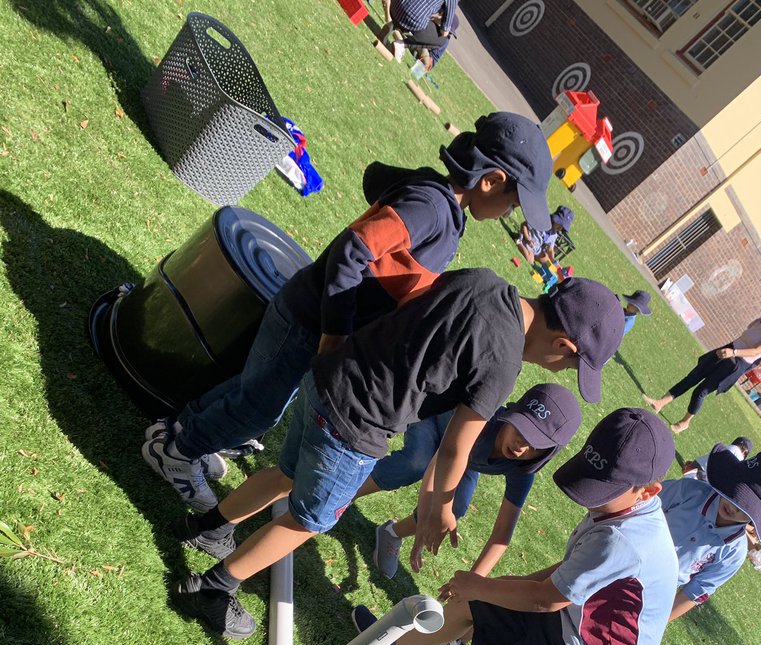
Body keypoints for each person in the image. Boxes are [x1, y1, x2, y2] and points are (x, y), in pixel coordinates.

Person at [169, 273, 625, 640]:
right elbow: (457, 445)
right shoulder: (504, 364)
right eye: (569, 365)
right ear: (564, 344)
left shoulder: (484, 282)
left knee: (287, 473)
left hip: (327, 380)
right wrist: (441, 509)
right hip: (358, 426)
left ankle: (207, 527)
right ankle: (214, 587)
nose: (560, 369)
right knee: (309, 520)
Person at [142, 112, 553, 511]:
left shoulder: (440, 205)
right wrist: (334, 334)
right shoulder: (432, 209)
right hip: (310, 321)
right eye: (514, 202)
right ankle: (177, 452)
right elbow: (354, 249)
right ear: (492, 180)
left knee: (256, 389)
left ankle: (186, 432)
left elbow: (377, 183)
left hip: (313, 317)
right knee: (259, 407)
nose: (511, 213)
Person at [354, 407, 677, 645]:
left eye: (603, 490)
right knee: (474, 608)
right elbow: (566, 573)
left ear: (648, 492)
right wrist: (495, 588)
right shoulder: (618, 515)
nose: (592, 498)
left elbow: (546, 600)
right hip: (571, 613)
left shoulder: (625, 539)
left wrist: (479, 584)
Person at [360, 383, 582, 586]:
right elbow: (440, 462)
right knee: (415, 462)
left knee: (456, 506)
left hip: (460, 456)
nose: (521, 446)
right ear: (511, 414)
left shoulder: (522, 470)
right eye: (521, 430)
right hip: (433, 420)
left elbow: (502, 534)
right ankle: (345, 496)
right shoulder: (483, 421)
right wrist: (427, 520)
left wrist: (474, 583)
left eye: (536, 445)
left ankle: (392, 533)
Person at [661, 446, 761, 621]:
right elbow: (637, 506)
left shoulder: (734, 553)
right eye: (736, 493)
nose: (734, 507)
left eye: (747, 507)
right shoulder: (689, 491)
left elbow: (697, 590)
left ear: (759, 519)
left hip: (649, 593)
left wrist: (657, 624)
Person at [643, 296, 761, 434]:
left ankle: (685, 422)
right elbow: (745, 337)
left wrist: (734, 353)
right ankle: (660, 403)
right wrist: (730, 349)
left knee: (700, 391)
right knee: (693, 377)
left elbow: (757, 351)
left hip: (736, 362)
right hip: (728, 349)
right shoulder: (760, 321)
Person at [382, 1, 459, 70]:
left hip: (395, 7)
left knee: (415, 13)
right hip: (410, 19)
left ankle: (392, 25)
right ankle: (401, 45)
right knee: (443, 38)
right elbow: (445, 32)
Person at [681, 437, 752, 482]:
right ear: (744, 452)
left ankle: (689, 470)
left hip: (695, 465)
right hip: (703, 476)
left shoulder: (725, 446)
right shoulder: (739, 455)